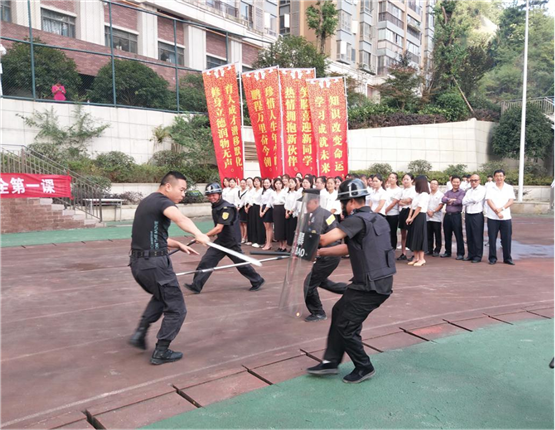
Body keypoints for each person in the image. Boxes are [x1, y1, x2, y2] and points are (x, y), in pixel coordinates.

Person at [307, 179, 395, 383]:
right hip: (374, 282)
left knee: (347, 325)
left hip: (370, 286)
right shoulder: (377, 218)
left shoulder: (356, 219)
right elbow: (350, 248)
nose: (343, 208)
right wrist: (320, 252)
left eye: (344, 203)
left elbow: (323, 238)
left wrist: (304, 245)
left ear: (352, 202)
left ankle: (364, 367)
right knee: (339, 312)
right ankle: (330, 362)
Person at [128, 172, 210, 365]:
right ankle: (161, 351)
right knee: (177, 308)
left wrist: (177, 244)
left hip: (139, 265)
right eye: (181, 190)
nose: (183, 195)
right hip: (155, 266)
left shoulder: (147, 202)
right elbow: (180, 219)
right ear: (168, 187)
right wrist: (199, 233)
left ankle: (140, 332)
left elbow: (151, 237)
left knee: (161, 296)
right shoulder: (163, 202)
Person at [185, 183, 265, 294]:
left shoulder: (227, 208)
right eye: (209, 195)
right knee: (207, 261)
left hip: (231, 241)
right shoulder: (216, 206)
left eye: (214, 195)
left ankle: (257, 280)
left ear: (219, 194)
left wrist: (203, 236)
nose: (212, 197)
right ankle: (196, 285)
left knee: (241, 263)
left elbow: (219, 228)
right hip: (221, 240)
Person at [298, 189, 347, 322]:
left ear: (315, 201)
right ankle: (351, 291)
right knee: (322, 281)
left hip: (329, 255)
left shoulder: (324, 215)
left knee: (309, 284)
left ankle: (318, 312)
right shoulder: (309, 215)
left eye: (307, 203)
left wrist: (319, 252)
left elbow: (325, 238)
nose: (305, 206)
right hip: (322, 254)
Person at [485, 170, 515, 265]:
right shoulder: (490, 187)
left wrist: (501, 209)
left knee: (506, 238)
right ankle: (492, 258)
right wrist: (496, 211)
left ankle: (507, 258)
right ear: (494, 177)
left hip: (505, 217)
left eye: (501, 176)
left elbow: (511, 201)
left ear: (504, 177)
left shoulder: (509, 188)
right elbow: (489, 201)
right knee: (492, 239)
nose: (499, 178)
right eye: (497, 176)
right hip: (492, 217)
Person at [405, 176, 430, 267]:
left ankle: (421, 258)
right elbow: (412, 206)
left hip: (420, 216)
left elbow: (419, 207)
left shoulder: (425, 194)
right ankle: (415, 257)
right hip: (414, 216)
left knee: (420, 236)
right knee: (413, 236)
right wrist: (409, 217)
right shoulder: (417, 194)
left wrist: (412, 217)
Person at [462, 174, 486, 263]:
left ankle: (478, 256)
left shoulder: (482, 189)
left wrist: (469, 200)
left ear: (479, 180)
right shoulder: (469, 190)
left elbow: (476, 199)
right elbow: (463, 201)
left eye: (475, 180)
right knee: (469, 235)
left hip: (477, 214)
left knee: (477, 236)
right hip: (468, 214)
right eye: (471, 180)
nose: (473, 182)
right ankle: (470, 254)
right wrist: (470, 200)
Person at [441, 175, 466, 260]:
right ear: (451, 182)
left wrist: (449, 200)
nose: (456, 183)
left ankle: (460, 253)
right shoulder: (448, 191)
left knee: (458, 234)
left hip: (456, 215)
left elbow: (459, 201)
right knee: (447, 234)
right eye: (454, 182)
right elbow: (443, 199)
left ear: (460, 183)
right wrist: (451, 200)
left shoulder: (462, 192)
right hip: (447, 215)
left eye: (457, 182)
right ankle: (447, 252)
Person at [397, 173, 416, 261]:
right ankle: (403, 253)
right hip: (403, 211)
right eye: (404, 179)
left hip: (410, 211)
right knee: (403, 233)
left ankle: (413, 253)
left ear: (412, 180)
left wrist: (404, 201)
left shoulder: (414, 190)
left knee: (411, 233)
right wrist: (404, 201)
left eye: (407, 179)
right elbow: (399, 202)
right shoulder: (402, 190)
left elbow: (410, 200)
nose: (405, 181)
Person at [426, 179, 444, 257]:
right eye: (431, 183)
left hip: (436, 217)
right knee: (428, 234)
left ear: (437, 185)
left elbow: (441, 205)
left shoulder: (440, 194)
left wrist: (433, 211)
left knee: (437, 234)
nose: (432, 185)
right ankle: (429, 249)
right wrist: (428, 211)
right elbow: (424, 203)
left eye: (434, 184)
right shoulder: (427, 194)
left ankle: (437, 249)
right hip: (428, 217)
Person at [384, 173, 402, 250]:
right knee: (384, 232)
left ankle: (392, 248)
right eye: (390, 177)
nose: (391, 179)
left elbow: (394, 203)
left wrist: (385, 211)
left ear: (396, 180)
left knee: (392, 232)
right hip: (384, 213)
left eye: (393, 178)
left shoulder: (399, 190)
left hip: (393, 214)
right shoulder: (386, 189)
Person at [284, 178, 300, 250]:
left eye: (292, 182)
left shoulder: (297, 194)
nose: (290, 184)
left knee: (293, 230)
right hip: (287, 214)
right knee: (288, 231)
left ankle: (294, 247)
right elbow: (286, 203)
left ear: (295, 184)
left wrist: (290, 213)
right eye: (289, 182)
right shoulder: (288, 193)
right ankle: (289, 246)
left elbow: (295, 205)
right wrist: (286, 212)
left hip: (293, 215)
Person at [272, 178, 288, 252]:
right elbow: (271, 202)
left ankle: (284, 246)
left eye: (279, 184)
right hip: (275, 209)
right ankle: (280, 245)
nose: (278, 185)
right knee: (277, 228)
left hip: (282, 209)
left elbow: (287, 202)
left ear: (282, 184)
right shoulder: (273, 192)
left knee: (283, 228)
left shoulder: (284, 192)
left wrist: (286, 211)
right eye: (276, 183)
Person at [259, 178, 275, 250]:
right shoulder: (264, 191)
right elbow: (261, 202)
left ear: (270, 183)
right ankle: (267, 243)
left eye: (267, 183)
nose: (266, 184)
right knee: (266, 228)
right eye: (265, 183)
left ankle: (269, 244)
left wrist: (264, 211)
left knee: (269, 228)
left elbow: (269, 203)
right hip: (263, 208)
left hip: (268, 209)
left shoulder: (271, 191)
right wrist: (260, 211)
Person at [237, 179, 249, 243]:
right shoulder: (238, 191)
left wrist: (240, 206)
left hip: (244, 208)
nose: (242, 184)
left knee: (244, 223)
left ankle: (245, 237)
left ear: (246, 184)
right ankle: (241, 236)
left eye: (244, 183)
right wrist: (237, 206)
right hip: (238, 208)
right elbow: (237, 199)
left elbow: (244, 200)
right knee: (240, 223)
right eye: (241, 183)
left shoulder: (247, 191)